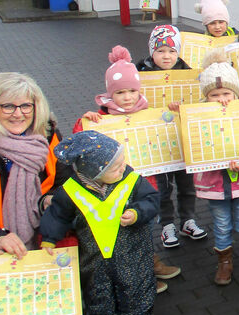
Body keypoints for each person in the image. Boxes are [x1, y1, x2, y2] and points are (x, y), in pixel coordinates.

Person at [40, 131, 160, 315]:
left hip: (132, 252)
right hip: (93, 255)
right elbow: (57, 215)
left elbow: (152, 200)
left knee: (135, 288)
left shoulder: (133, 181)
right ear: (93, 173)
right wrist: (49, 239)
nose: (122, 168)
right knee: (96, 290)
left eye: (122, 162)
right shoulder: (70, 191)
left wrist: (137, 213)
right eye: (115, 167)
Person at [76, 45, 182, 291]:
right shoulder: (102, 116)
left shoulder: (147, 112)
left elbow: (168, 131)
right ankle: (141, 275)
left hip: (144, 184)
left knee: (146, 225)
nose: (127, 97)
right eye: (120, 92)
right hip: (117, 187)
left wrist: (174, 113)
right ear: (110, 93)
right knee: (127, 231)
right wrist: (84, 122)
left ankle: (151, 261)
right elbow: (80, 142)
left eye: (132, 91)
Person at [0, 72, 71, 257]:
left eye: (26, 106)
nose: (18, 114)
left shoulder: (48, 136)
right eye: (8, 106)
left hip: (48, 238)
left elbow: (66, 183)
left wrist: (50, 200)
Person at [191, 50, 239, 285]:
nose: (222, 98)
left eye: (226, 93)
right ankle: (224, 263)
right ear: (206, 96)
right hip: (215, 184)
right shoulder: (199, 117)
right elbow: (191, 143)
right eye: (214, 94)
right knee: (221, 225)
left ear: (235, 94)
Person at [136, 26, 206, 251]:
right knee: (163, 188)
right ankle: (166, 225)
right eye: (161, 50)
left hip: (182, 139)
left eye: (172, 51)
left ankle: (188, 220)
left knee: (187, 184)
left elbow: (199, 101)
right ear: (152, 52)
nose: (167, 56)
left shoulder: (189, 71)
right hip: (157, 141)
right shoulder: (141, 73)